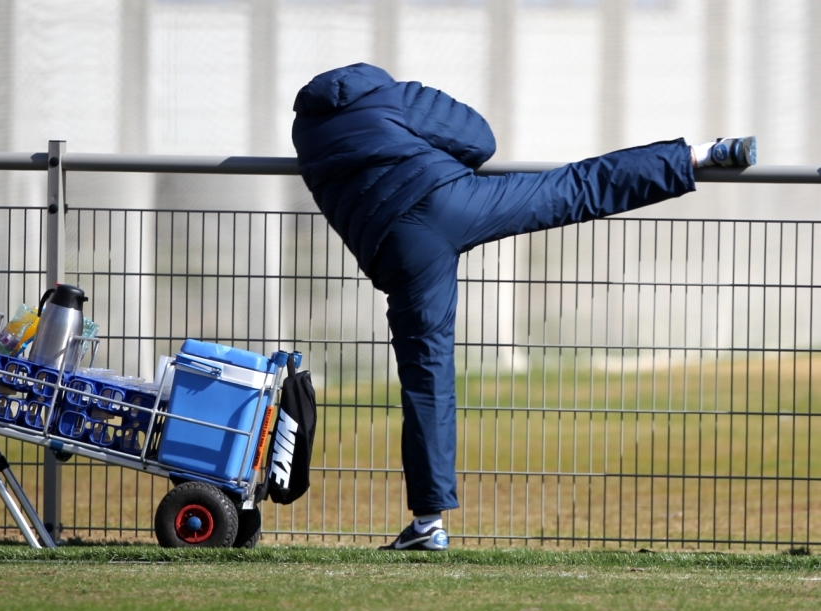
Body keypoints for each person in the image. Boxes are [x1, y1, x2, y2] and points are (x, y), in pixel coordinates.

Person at [291, 62, 756, 551]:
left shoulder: (305, 128)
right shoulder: (393, 95)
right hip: (455, 200)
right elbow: (479, 140)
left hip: (397, 246)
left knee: (426, 377)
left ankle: (428, 524)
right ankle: (701, 155)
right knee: (577, 187)